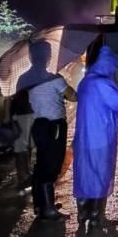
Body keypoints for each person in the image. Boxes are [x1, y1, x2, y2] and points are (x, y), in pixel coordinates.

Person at [73, 45, 118, 228]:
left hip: (83, 139)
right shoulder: (103, 84)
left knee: (84, 174)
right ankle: (96, 216)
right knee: (100, 174)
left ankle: (83, 214)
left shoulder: (85, 81)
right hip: (100, 139)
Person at [29, 74, 77, 221]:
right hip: (54, 126)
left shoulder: (28, 78)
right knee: (52, 165)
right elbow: (73, 96)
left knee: (42, 163)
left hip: (38, 125)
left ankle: (41, 205)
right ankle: (48, 210)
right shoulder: (55, 79)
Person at [4, 90, 35, 195]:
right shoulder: (17, 80)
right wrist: (7, 116)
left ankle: (25, 172)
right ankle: (22, 176)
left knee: (27, 145)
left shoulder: (26, 79)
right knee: (21, 146)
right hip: (21, 114)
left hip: (30, 112)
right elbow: (8, 98)